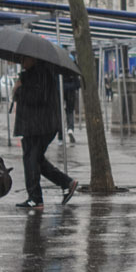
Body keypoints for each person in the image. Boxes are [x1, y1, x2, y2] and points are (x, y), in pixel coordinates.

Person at [13, 59, 78, 209]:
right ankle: (66, 183)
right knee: (36, 160)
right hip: (36, 125)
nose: (22, 61)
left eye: (24, 58)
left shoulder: (41, 74)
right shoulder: (35, 73)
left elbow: (37, 97)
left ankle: (36, 198)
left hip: (39, 126)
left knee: (31, 159)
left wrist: (19, 90)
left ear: (32, 59)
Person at [61, 72, 82, 143]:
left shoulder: (59, 70)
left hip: (61, 92)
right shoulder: (72, 71)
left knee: (59, 113)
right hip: (71, 94)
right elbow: (78, 84)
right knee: (70, 112)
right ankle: (70, 129)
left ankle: (60, 135)